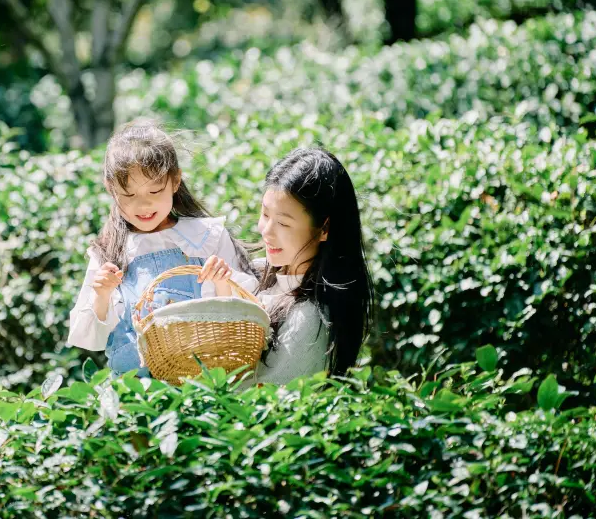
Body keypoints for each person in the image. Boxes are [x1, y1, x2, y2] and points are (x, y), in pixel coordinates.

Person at [68, 121, 257, 377]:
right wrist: (101, 294)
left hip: (201, 381)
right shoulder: (109, 252)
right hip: (134, 394)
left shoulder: (207, 237)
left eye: (155, 190)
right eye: (129, 195)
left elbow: (245, 316)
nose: (144, 205)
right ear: (110, 188)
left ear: (175, 180)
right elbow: (91, 338)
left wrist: (223, 282)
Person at [247, 147, 374, 385]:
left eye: (283, 223)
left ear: (324, 228)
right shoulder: (257, 272)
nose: (266, 231)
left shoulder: (309, 320)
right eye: (265, 215)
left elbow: (262, 401)